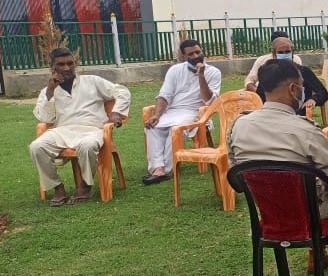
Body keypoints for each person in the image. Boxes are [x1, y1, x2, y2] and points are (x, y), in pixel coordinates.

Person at [228, 58, 328, 276]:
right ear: (294, 89)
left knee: (307, 187)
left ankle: (317, 254)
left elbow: (237, 179)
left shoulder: (238, 125)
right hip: (310, 212)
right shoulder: (305, 130)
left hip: (270, 212)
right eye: (302, 85)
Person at [30, 47, 132, 206]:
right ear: (52, 67)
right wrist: (50, 91)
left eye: (70, 63)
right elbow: (45, 118)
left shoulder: (92, 81)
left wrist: (117, 113)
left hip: (92, 129)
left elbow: (122, 91)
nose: (67, 68)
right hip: (62, 130)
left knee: (88, 145)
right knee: (36, 147)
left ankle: (85, 185)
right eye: (61, 64)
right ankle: (57, 187)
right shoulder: (47, 91)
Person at [142, 39, 221, 184]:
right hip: (173, 111)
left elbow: (209, 101)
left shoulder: (214, 72)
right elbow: (165, 95)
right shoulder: (175, 70)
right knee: (153, 127)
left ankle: (165, 170)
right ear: (184, 57)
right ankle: (158, 168)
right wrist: (157, 115)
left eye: (198, 52)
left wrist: (201, 75)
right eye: (191, 54)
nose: (196, 55)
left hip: (196, 112)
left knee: (175, 130)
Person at [254, 35, 328, 117]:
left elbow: (323, 93)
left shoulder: (303, 71)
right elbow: (259, 97)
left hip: (298, 116)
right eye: (280, 52)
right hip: (273, 116)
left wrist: (313, 99)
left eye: (287, 51)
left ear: (292, 52)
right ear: (274, 54)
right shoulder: (268, 73)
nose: (284, 55)